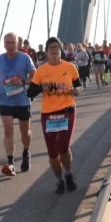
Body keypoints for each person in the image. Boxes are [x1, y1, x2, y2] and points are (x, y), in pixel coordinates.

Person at [28, 38, 82, 193]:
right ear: (46, 52)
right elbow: (29, 92)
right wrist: (41, 86)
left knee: (63, 148)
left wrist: (76, 91)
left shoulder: (70, 67)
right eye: (51, 47)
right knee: (52, 153)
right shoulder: (41, 71)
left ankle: (68, 174)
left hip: (67, 112)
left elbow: (79, 87)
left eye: (56, 47)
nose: (54, 50)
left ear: (60, 50)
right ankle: (59, 181)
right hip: (49, 115)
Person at [0, 32, 37, 175]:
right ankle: (10, 162)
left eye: (12, 42)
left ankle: (26, 153)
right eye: (7, 42)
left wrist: (22, 82)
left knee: (25, 133)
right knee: (8, 130)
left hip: (22, 100)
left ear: (17, 44)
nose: (9, 45)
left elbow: (34, 77)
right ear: (3, 44)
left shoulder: (25, 58)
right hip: (6, 100)